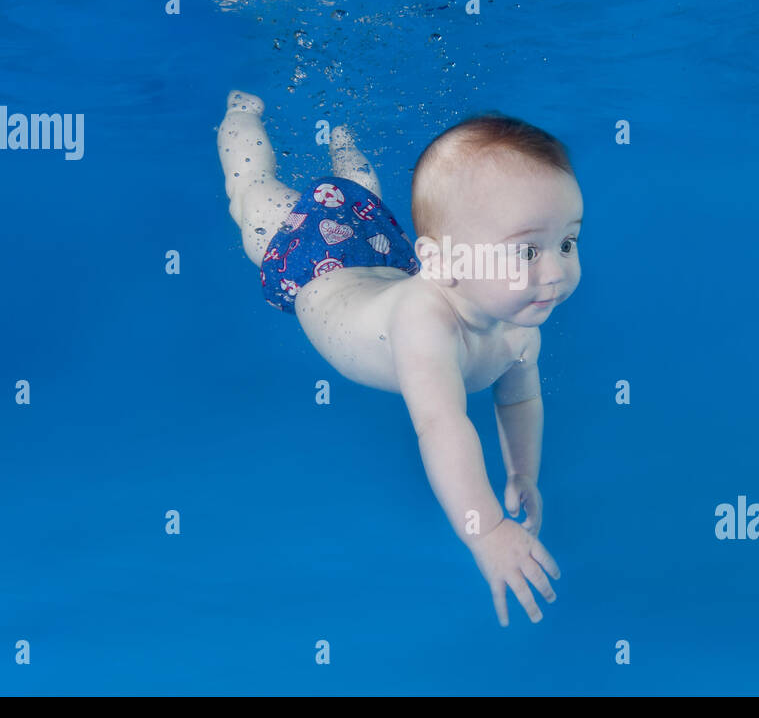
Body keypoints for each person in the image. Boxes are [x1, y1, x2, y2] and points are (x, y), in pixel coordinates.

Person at [217, 91, 583, 626]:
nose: (554, 273)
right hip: (310, 264)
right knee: (251, 197)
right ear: (446, 263)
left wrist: (522, 470)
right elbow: (441, 425)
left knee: (360, 193)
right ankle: (242, 117)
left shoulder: (519, 325)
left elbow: (520, 395)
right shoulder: (424, 323)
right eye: (526, 251)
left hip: (382, 253)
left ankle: (343, 145)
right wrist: (485, 529)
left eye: (568, 244)